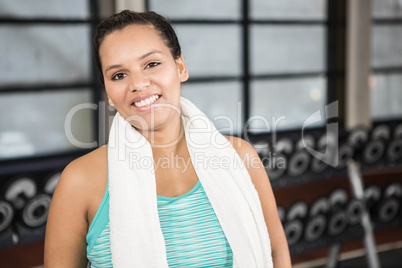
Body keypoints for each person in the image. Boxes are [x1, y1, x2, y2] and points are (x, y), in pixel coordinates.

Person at [44, 10, 291, 267]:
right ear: (107, 90)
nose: (138, 84)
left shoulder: (240, 157)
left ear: (180, 67)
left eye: (151, 64)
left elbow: (275, 252)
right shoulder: (79, 182)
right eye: (119, 75)